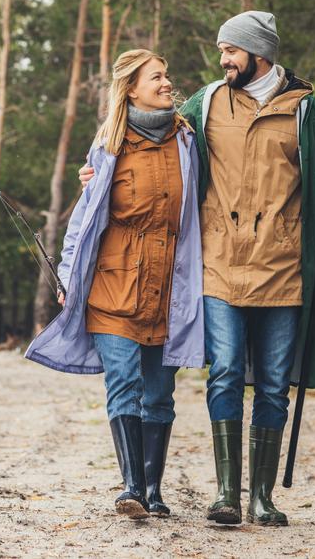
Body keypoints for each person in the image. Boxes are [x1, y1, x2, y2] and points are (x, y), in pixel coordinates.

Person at [80, 11, 315, 526]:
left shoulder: (308, 113)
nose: (222, 59)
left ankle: (262, 498)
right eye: (222, 49)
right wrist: (98, 170)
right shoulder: (203, 106)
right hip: (220, 266)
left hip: (282, 268)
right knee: (225, 372)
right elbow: (147, 139)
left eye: (231, 50)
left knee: (274, 383)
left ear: (259, 53)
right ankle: (227, 494)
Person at [25, 49, 205, 520]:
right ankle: (132, 488)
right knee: (123, 382)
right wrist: (68, 278)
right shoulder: (107, 146)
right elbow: (84, 222)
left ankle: (154, 488)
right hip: (113, 286)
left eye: (168, 75)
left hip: (169, 287)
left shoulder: (187, 140)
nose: (168, 84)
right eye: (157, 78)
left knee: (160, 392)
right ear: (131, 89)